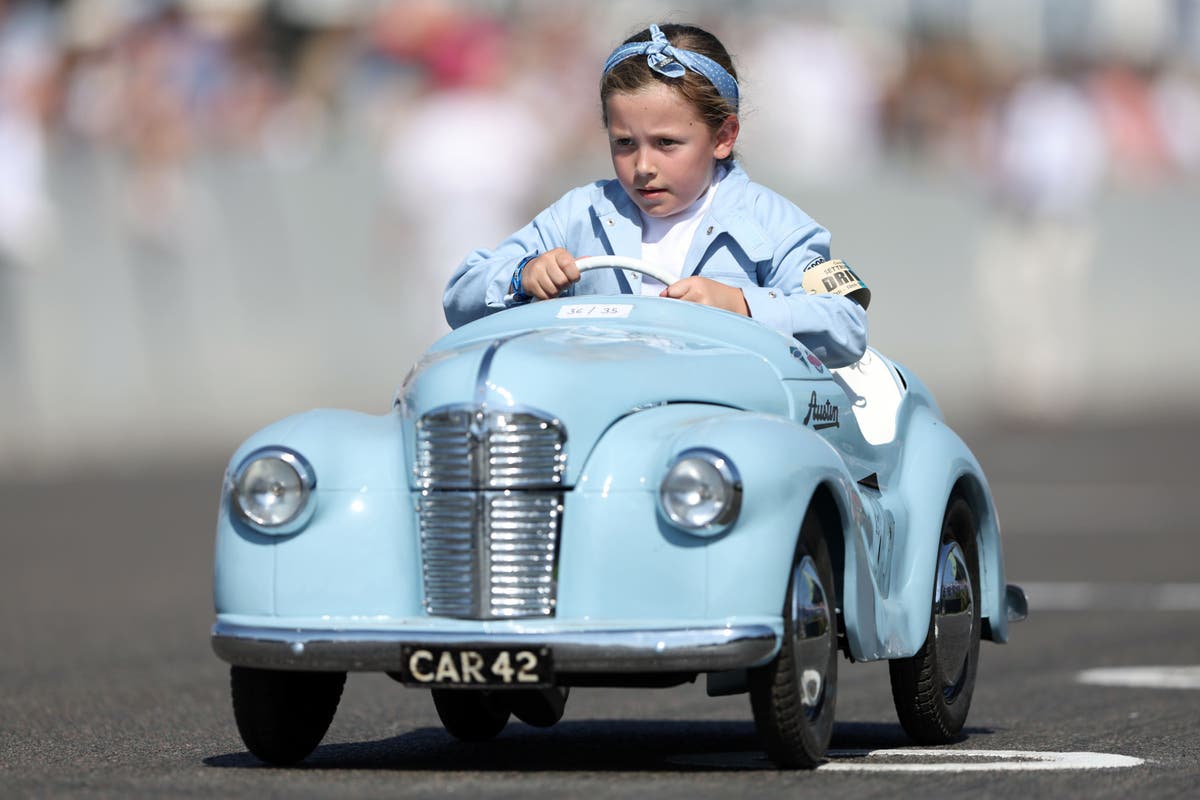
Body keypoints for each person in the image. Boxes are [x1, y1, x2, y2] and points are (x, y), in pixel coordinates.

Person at [443, 23, 868, 367]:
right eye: (625, 143)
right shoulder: (579, 213)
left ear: (723, 136)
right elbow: (461, 298)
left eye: (666, 143)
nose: (643, 165)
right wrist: (523, 276)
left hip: (724, 427)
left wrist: (741, 305)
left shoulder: (774, 223)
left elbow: (846, 325)